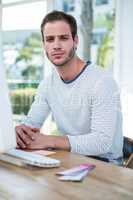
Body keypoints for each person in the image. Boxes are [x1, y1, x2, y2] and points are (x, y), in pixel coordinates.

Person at [16, 10, 123, 164]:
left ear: (75, 41)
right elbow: (31, 125)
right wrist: (20, 132)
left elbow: (101, 142)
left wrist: (49, 140)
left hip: (106, 164)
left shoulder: (102, 81)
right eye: (50, 39)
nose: (56, 45)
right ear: (44, 45)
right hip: (69, 159)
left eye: (64, 38)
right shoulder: (47, 85)